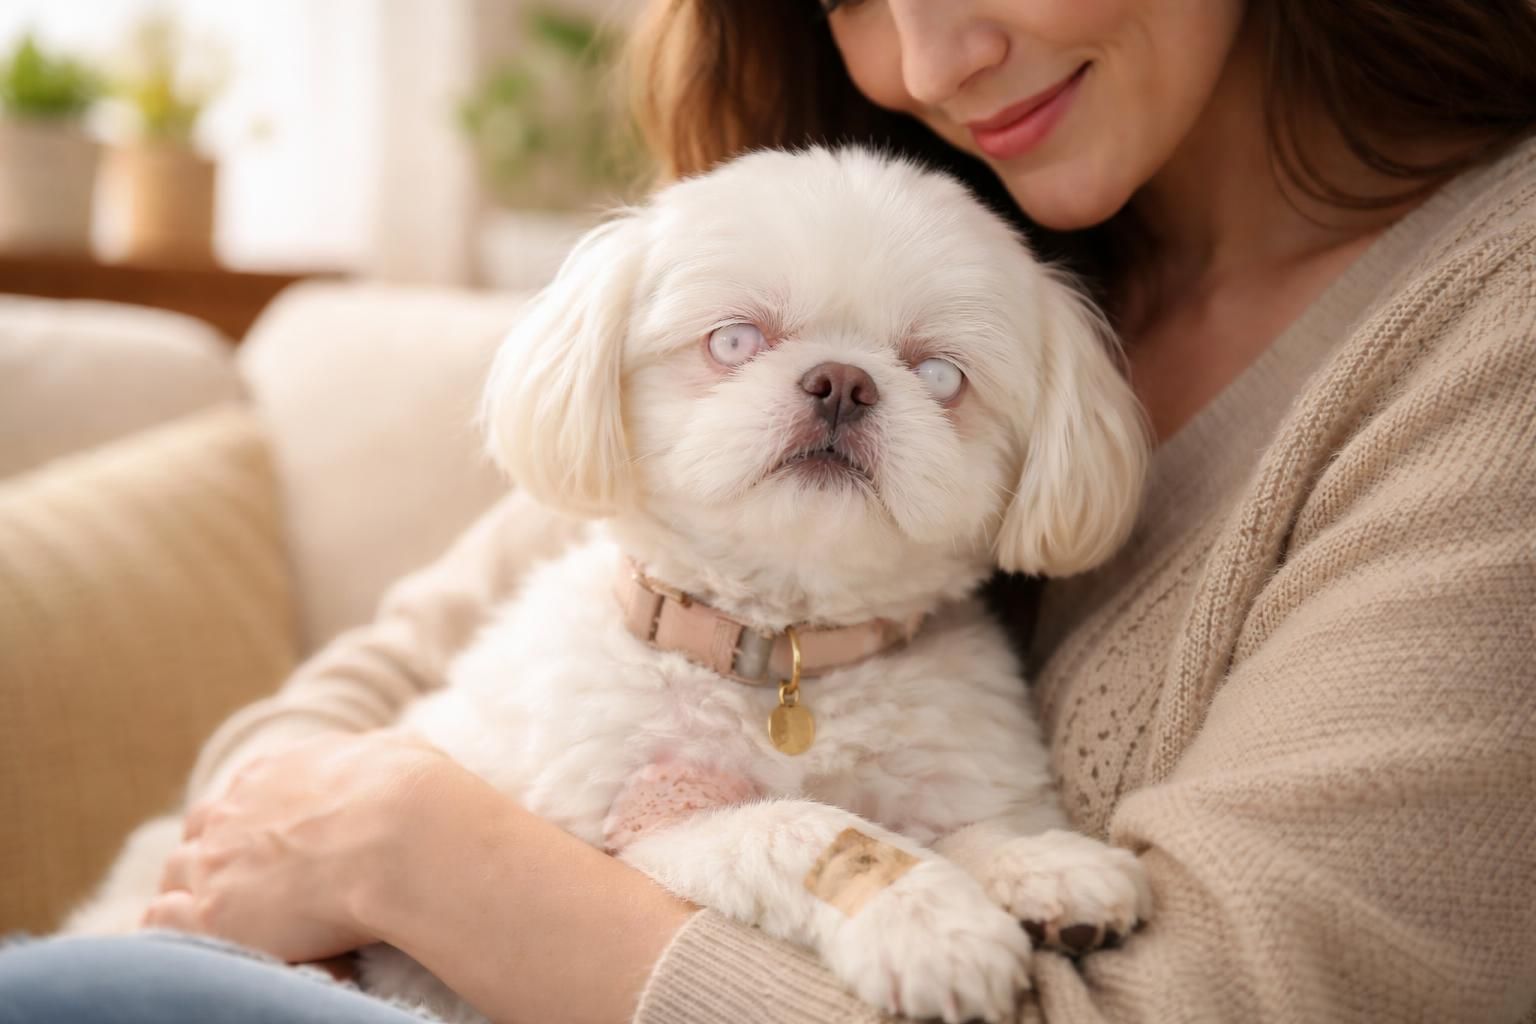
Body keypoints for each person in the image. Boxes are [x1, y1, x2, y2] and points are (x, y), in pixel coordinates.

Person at [3, 2, 1534, 1022]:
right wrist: (354, 854)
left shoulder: (1486, 342)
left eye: (931, 375)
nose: (933, 58)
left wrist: (429, 861)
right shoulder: (889, 215)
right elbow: (305, 753)